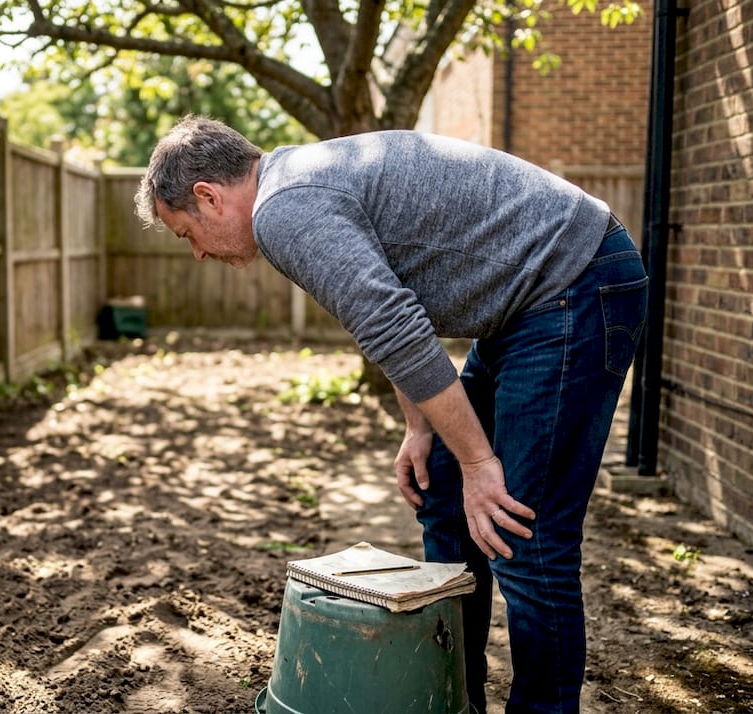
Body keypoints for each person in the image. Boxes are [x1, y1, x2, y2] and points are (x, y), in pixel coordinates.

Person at [134, 115, 648, 713]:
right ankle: (456, 701)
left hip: (573, 281)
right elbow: (394, 312)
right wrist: (420, 428)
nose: (196, 253)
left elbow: (396, 328)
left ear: (207, 197)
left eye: (186, 235)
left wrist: (481, 460)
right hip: (528, 298)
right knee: (446, 498)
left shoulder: (285, 208)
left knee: (525, 534)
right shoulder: (299, 182)